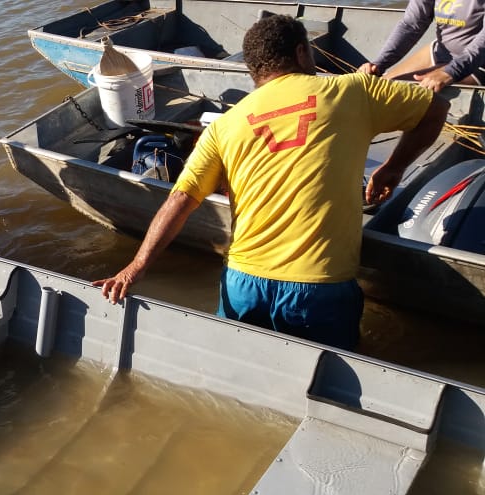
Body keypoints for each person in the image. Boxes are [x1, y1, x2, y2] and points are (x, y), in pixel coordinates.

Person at [93, 14, 449, 351]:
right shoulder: (351, 90)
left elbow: (179, 201)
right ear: (300, 52)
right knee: (331, 387)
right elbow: (435, 108)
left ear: (254, 69)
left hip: (243, 283)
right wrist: (393, 167)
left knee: (241, 368)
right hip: (318, 286)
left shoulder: (223, 126)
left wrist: (134, 269)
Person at [357, 0, 485, 92]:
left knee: (395, 92)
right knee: (380, 86)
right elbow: (411, 25)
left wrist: (450, 72)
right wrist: (379, 64)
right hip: (440, 52)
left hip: (477, 64)